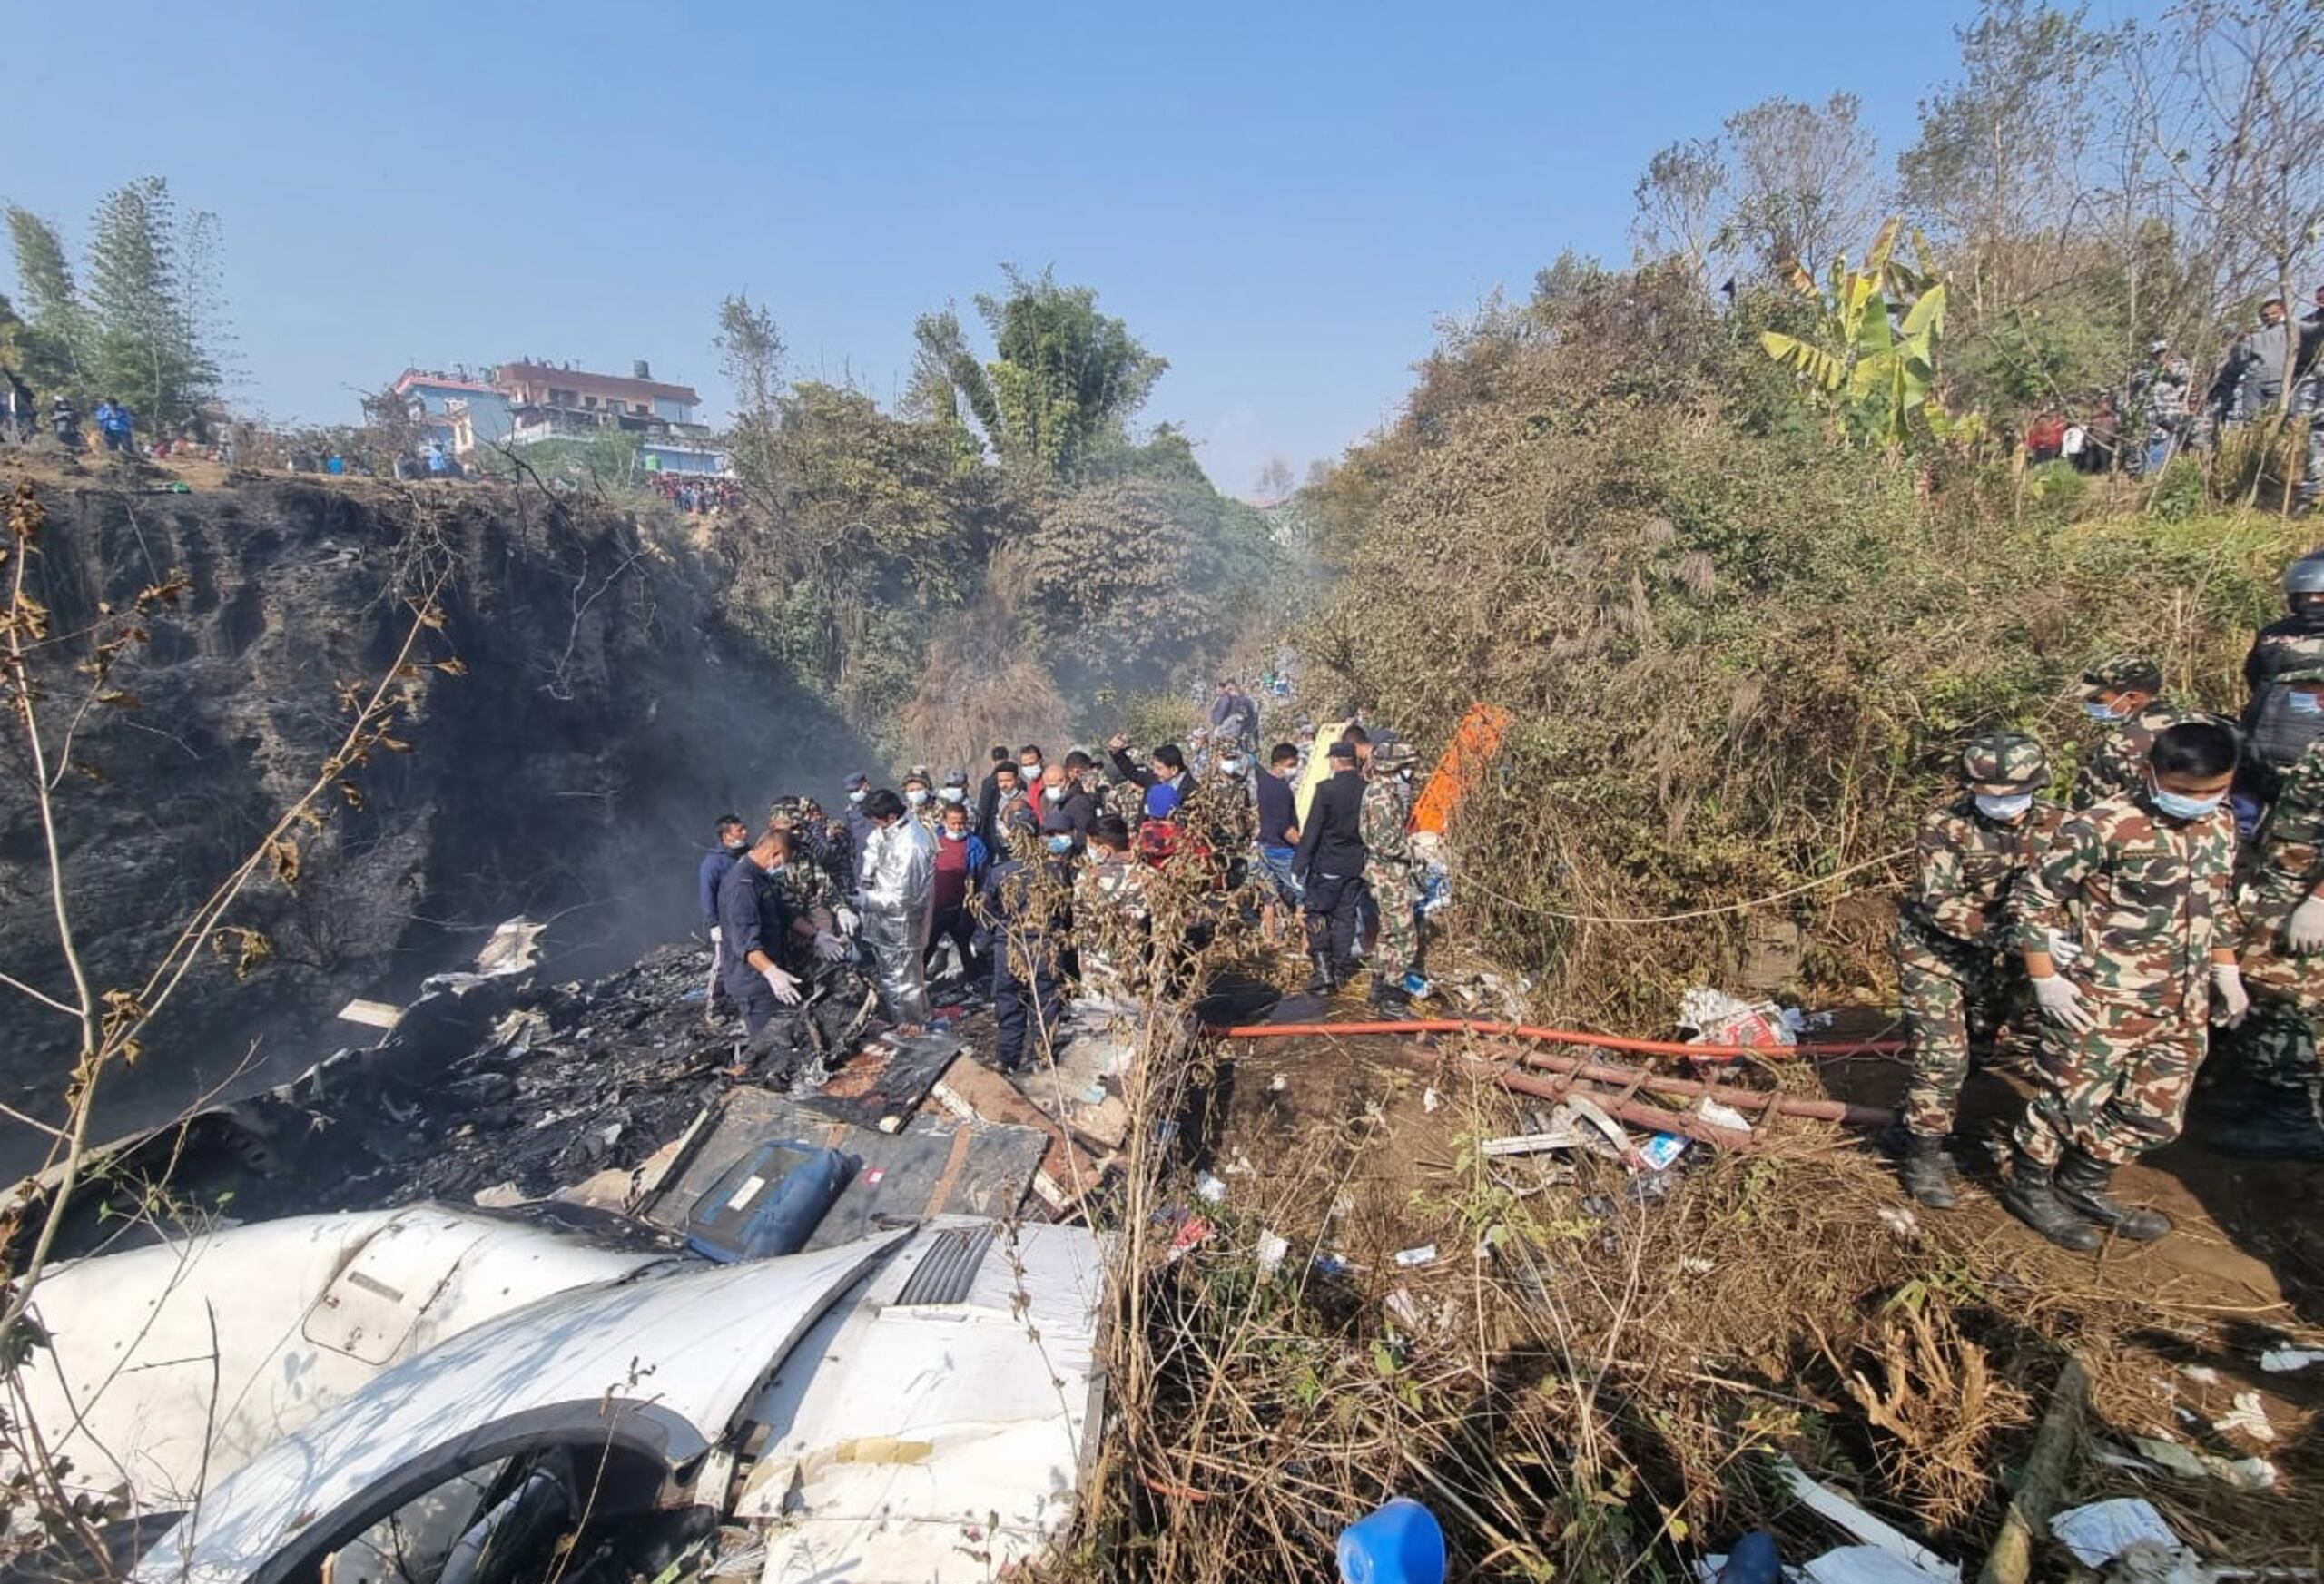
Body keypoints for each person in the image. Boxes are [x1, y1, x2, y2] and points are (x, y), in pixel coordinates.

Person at [2005, 718, 2249, 1250]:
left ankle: (2083, 1182)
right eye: (2187, 791)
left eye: (2215, 790)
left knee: (2154, 1115)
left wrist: (2227, 972)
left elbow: (2218, 906)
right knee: (2068, 1102)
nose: (2201, 801)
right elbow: (2034, 902)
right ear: (2151, 773)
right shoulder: (2103, 825)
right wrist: (2046, 979)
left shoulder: (2220, 825)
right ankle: (2029, 1186)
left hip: (2182, 1002)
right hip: (2103, 997)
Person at [1890, 733, 2066, 1208]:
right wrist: (2024, 940)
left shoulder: (2062, 828)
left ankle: (1905, 1123)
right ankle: (1922, 1156)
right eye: (1992, 794)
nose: (2004, 803)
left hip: (2006, 967)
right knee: (1942, 1057)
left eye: (2016, 793)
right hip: (1936, 955)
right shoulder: (1944, 826)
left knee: (1980, 1052)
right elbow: (1939, 902)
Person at [2210, 666, 2324, 1159]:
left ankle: (2293, 1118)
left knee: (2291, 1000)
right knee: (2267, 990)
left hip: (2307, 895)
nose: (2300, 703)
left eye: (2307, 693)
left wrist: (2319, 902)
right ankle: (2265, 1096)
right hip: (2282, 882)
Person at [980, 811, 1067, 1073]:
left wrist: (982, 943)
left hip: (1009, 947)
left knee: (1009, 1003)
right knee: (1046, 1002)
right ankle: (1043, 1058)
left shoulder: (999, 873)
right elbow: (1065, 913)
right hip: (1045, 945)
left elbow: (987, 914)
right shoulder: (1056, 871)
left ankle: (1008, 1059)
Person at [2241, 551, 2324, 793]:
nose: (2313, 601)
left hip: (2305, 756)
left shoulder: (2274, 632)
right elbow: (2255, 676)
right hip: (2263, 746)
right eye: (2307, 595)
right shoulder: (2272, 633)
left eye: (2320, 595)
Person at [1293, 739, 1369, 993]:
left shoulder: (1326, 790)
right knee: (1345, 917)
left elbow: (1313, 829)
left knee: (1317, 914)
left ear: (1335, 761)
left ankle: (1323, 972)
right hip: (1355, 865)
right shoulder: (1367, 789)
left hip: (1327, 864)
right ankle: (1339, 970)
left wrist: (1299, 863)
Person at [716, 825, 807, 1040]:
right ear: (775, 853)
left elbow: (785, 913)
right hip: (754, 982)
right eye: (785, 860)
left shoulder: (760, 876)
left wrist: (818, 935)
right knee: (772, 1045)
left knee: (792, 1036)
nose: (784, 867)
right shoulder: (742, 886)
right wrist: (771, 972)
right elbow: (745, 943)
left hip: (770, 973)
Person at [856, 787, 935, 1032]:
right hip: (886, 921)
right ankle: (911, 1020)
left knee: (904, 982)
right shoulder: (891, 832)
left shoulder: (912, 844)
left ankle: (911, 1028)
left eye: (876, 820)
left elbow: (905, 897)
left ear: (890, 816)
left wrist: (863, 900)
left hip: (902, 924)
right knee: (897, 977)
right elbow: (873, 852)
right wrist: (866, 881)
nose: (874, 825)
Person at [1360, 738, 1428, 1015]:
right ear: (1396, 768)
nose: (1412, 773)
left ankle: (1378, 987)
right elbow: (1386, 842)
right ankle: (1392, 997)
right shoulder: (1384, 795)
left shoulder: (1378, 790)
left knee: (1388, 933)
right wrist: (1415, 851)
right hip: (1389, 874)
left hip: (1384, 872)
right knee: (1403, 936)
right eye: (1408, 767)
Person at [2071, 657, 2181, 810]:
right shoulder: (2215, 726)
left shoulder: (2118, 745)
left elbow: (2090, 812)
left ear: (2132, 697)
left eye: (2098, 700)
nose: (2090, 706)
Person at [1075, 812, 1151, 997]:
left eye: (1092, 845)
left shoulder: (1089, 879)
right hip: (1135, 970)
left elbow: (1080, 921)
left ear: (1105, 849)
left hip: (1096, 971)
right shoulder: (1148, 876)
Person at [926, 799, 990, 982]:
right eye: (953, 823)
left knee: (964, 944)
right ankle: (917, 980)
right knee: (929, 944)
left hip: (962, 905)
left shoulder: (975, 845)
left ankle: (973, 978)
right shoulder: (933, 842)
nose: (957, 827)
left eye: (961, 822)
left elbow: (982, 875)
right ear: (944, 821)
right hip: (937, 906)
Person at [696, 813, 750, 1021]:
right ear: (726, 836)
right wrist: (713, 923)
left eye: (744, 828)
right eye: (740, 830)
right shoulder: (713, 863)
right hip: (726, 923)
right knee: (723, 964)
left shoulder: (748, 854)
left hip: (748, 918)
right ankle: (715, 1008)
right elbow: (706, 894)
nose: (745, 833)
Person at [1255, 741, 1305, 946]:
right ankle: (1306, 946)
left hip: (1265, 846)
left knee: (1269, 895)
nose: (1295, 768)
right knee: (1304, 894)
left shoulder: (1264, 782)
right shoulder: (1280, 789)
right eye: (1293, 764)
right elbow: (1285, 827)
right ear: (1282, 763)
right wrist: (1304, 847)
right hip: (1281, 850)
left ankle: (1270, 938)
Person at [2125, 342, 2191, 477]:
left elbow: (2184, 380)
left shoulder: (2178, 365)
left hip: (2169, 411)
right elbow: (2135, 385)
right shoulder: (2144, 368)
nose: (2159, 356)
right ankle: (2143, 474)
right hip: (2147, 412)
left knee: (2168, 441)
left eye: (2162, 352)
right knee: (2144, 443)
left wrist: (2169, 368)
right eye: (2156, 354)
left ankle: (2161, 473)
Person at [2230, 298, 2295, 422]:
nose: (2269, 317)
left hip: (2280, 381)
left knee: (2278, 418)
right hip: (2255, 381)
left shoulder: (2293, 332)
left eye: (2274, 313)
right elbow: (2240, 359)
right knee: (2251, 419)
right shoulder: (2255, 336)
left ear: (2283, 312)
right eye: (2265, 315)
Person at [1108, 736, 1191, 821]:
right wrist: (1117, 752)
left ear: (1174, 769)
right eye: (1154, 767)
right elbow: (1132, 772)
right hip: (1146, 831)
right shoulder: (1154, 778)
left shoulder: (1193, 792)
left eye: (1159, 768)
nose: (1155, 771)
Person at [842, 772, 876, 879]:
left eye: (856, 790)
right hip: (859, 861)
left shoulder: (879, 804)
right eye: (850, 791)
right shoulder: (851, 810)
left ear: (865, 786)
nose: (853, 794)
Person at [974, 745, 1010, 837]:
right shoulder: (990, 783)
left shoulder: (989, 782)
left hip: (996, 828)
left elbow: (983, 808)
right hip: (998, 827)